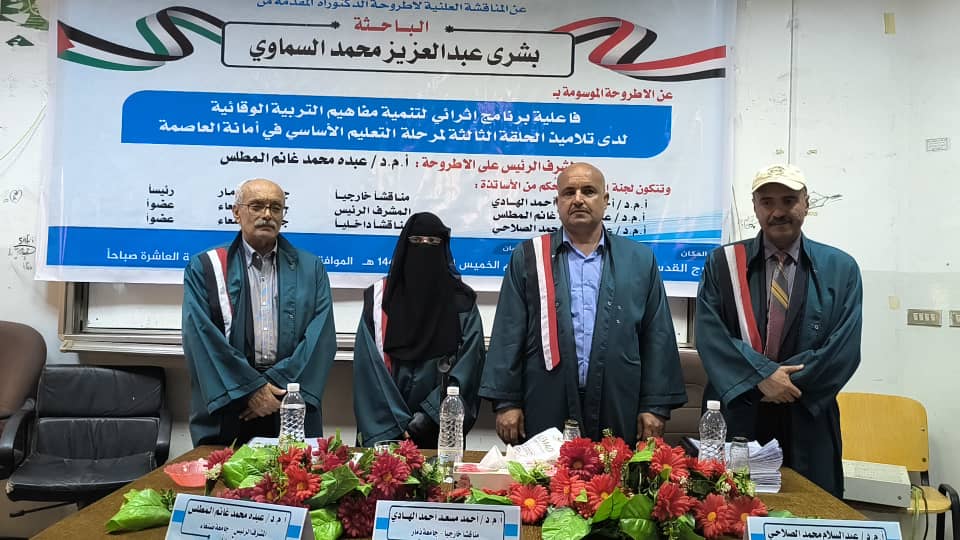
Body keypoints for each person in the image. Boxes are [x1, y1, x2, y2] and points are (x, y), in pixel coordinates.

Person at [479, 162, 686, 445]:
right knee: (547, 472)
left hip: (619, 398)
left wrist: (654, 405)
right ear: (557, 203)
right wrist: (506, 402)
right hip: (546, 398)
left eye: (588, 191)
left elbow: (657, 335)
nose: (578, 199)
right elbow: (508, 331)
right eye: (569, 192)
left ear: (605, 200)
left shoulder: (639, 260)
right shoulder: (529, 257)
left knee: (614, 471)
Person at [694, 164, 862, 497]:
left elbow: (843, 348)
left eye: (788, 200)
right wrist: (762, 378)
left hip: (807, 412)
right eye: (767, 202)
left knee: (812, 510)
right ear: (755, 207)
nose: (778, 211)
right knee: (729, 510)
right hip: (738, 412)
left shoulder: (841, 268)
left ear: (806, 204)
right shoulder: (723, 264)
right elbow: (711, 335)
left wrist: (783, 384)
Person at [182, 178, 337, 446]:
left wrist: (275, 390)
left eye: (276, 208)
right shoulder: (205, 268)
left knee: (294, 471)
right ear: (236, 212)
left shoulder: (311, 269)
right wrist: (250, 390)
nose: (267, 214)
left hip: (289, 401)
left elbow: (320, 339)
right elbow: (201, 338)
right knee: (223, 471)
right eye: (256, 206)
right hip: (231, 402)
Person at [353, 213, 486, 448]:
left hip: (440, 431)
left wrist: (428, 417)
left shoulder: (462, 303)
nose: (424, 248)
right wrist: (395, 424)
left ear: (443, 248)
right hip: (385, 434)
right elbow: (368, 371)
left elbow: (469, 369)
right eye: (416, 241)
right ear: (405, 246)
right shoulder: (379, 300)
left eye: (433, 242)